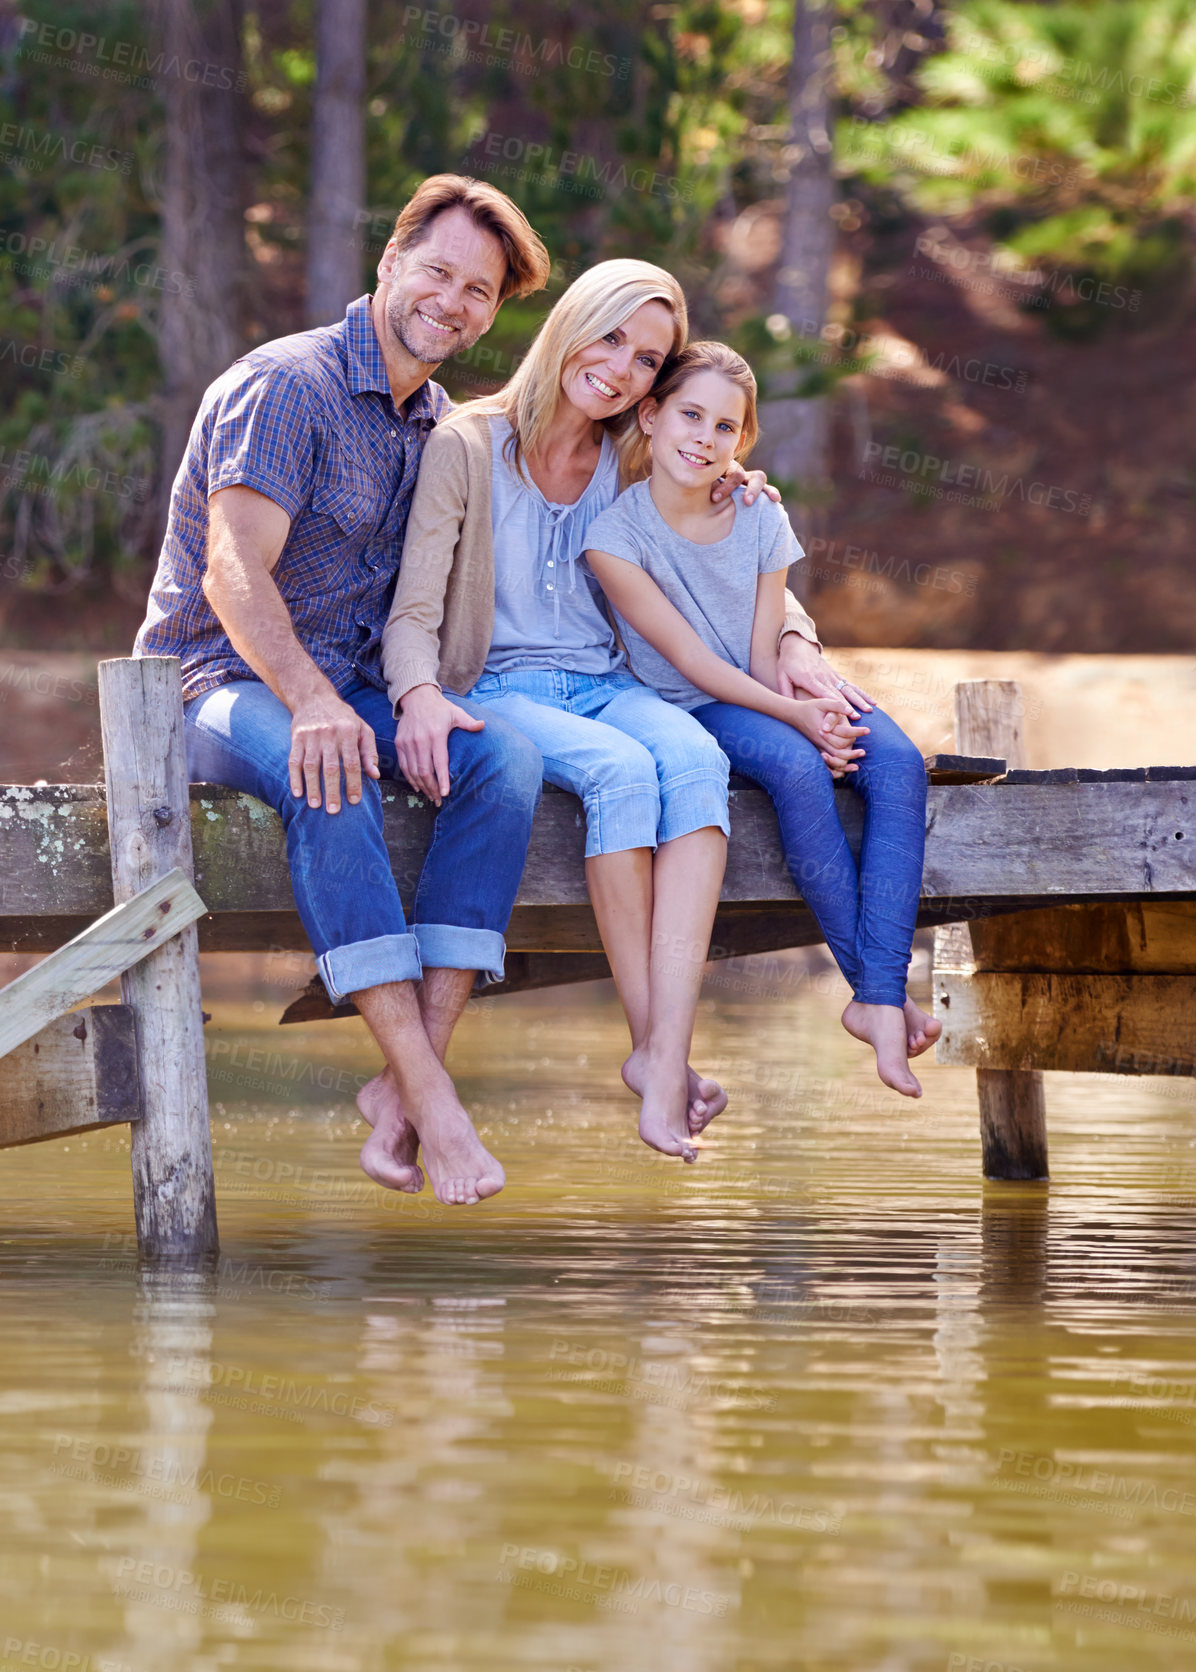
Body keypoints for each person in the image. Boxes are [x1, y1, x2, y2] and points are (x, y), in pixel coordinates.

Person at [134, 174, 555, 1206]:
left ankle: (403, 1089)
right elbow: (233, 572)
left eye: (479, 291)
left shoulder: (438, 421)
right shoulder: (286, 385)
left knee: (503, 759)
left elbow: (571, 462)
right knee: (331, 768)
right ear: (389, 261)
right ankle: (436, 1104)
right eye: (438, 271)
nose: (452, 301)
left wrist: (722, 480)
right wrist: (313, 700)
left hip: (357, 689)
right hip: (216, 683)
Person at [381, 264, 852, 1163]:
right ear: (569, 326)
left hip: (609, 684)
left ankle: (661, 1055)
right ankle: (655, 1057)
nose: (621, 369)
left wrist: (796, 636)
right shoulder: (466, 443)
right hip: (498, 685)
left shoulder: (637, 452)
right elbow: (412, 612)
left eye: (647, 360)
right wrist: (417, 694)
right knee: (622, 772)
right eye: (609, 340)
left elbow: (726, 559)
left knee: (695, 763)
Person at [583, 341, 940, 1096]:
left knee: (900, 764)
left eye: (723, 427)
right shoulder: (615, 536)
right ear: (649, 416)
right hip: (693, 703)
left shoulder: (757, 514)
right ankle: (876, 996)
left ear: (741, 442)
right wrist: (802, 720)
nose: (702, 439)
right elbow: (690, 662)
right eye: (689, 415)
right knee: (795, 766)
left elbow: (757, 645)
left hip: (764, 682)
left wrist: (812, 701)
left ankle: (876, 998)